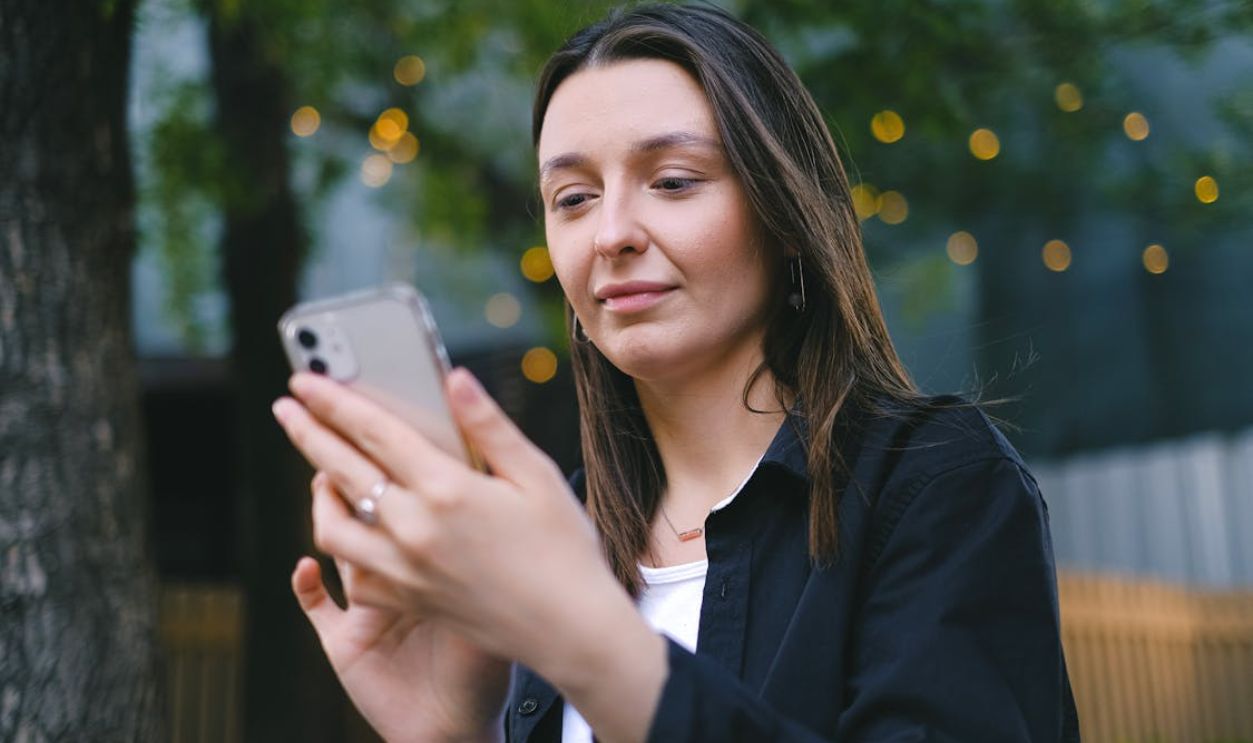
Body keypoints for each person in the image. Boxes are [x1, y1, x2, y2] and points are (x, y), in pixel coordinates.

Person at [271, 4, 1080, 742]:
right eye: (573, 197)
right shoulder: (560, 533)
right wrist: (452, 733)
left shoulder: (934, 483)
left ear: (786, 213)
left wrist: (598, 651)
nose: (611, 233)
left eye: (672, 181)